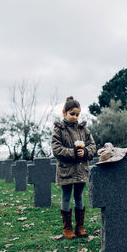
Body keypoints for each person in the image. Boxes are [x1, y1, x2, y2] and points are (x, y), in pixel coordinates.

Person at [51, 96, 96, 239]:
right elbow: (57, 149)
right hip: (66, 170)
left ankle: (80, 226)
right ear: (64, 112)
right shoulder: (59, 130)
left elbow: (92, 146)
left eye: (77, 114)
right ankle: (67, 228)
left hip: (81, 170)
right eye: (72, 114)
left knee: (79, 196)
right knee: (66, 197)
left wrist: (86, 152)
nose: (75, 117)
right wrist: (74, 153)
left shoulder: (84, 130)